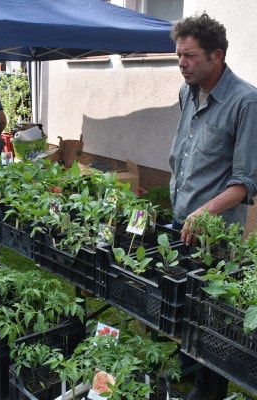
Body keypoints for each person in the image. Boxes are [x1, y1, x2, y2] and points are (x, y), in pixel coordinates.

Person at [169, 14, 257, 400]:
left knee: (211, 319)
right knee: (181, 303)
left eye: (189, 56)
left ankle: (208, 390)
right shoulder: (186, 92)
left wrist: (204, 211)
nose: (181, 63)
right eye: (178, 55)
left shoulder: (246, 101)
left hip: (214, 234)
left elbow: (246, 182)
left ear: (216, 56)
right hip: (179, 219)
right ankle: (183, 366)